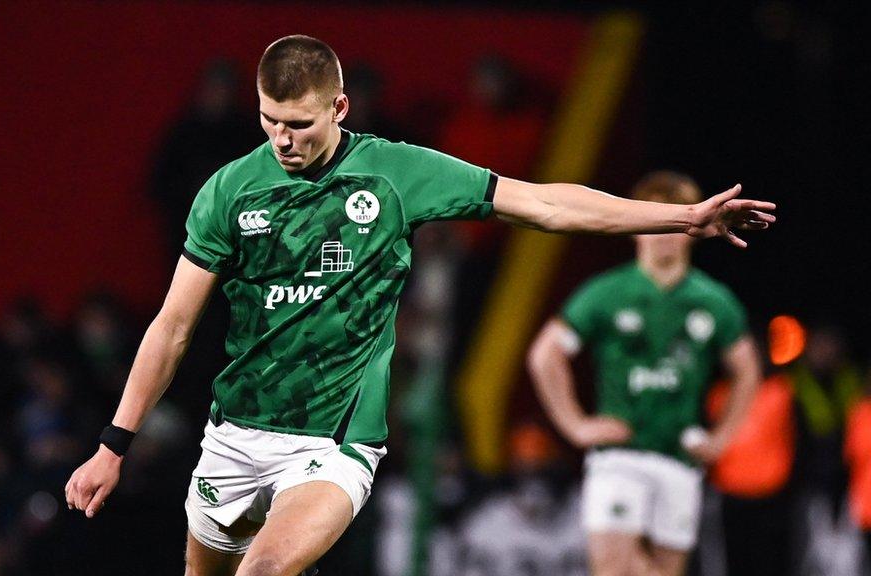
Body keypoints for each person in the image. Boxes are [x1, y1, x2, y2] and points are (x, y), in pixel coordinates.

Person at [64, 37, 775, 576]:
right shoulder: (228, 191)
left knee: (266, 570)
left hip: (334, 443)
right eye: (270, 120)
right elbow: (174, 326)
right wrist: (113, 444)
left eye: (301, 124)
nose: (283, 140)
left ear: (339, 107)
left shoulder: (398, 173)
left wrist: (679, 220)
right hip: (237, 435)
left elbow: (545, 204)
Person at [527, 171, 764, 576]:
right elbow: (545, 354)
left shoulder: (711, 300)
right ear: (636, 226)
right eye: (654, 218)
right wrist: (576, 426)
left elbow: (747, 370)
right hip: (620, 455)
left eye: (673, 220)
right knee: (613, 569)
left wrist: (722, 438)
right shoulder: (607, 292)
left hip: (679, 458)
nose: (663, 232)